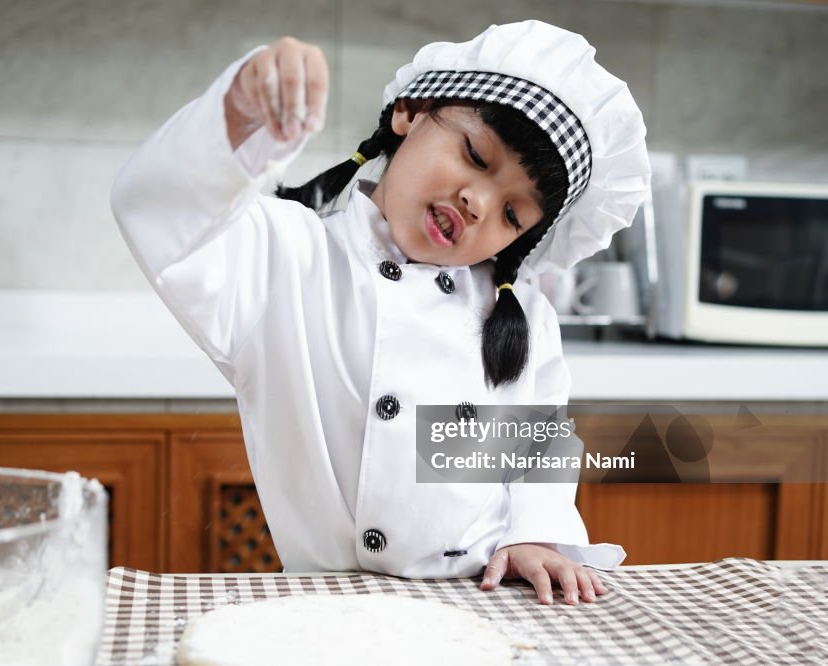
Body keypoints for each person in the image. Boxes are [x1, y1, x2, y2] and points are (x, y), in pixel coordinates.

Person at [111, 20, 650, 606]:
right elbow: (161, 210)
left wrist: (535, 537)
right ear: (410, 113)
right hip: (327, 607)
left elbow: (537, 442)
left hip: (490, 601)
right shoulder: (288, 258)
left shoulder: (520, 315)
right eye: (474, 155)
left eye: (513, 215)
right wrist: (240, 111)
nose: (478, 203)